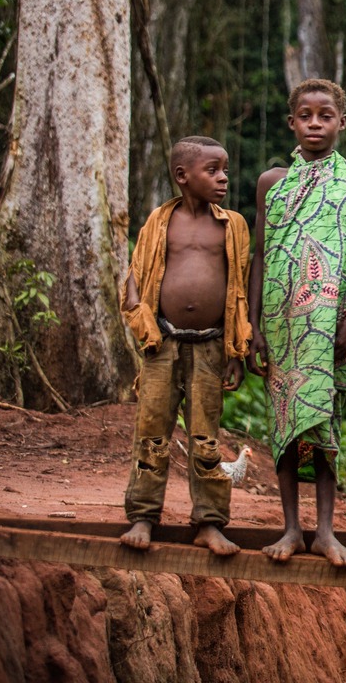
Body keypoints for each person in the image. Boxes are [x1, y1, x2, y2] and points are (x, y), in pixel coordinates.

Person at [247, 78, 346, 567]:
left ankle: (325, 530)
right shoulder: (271, 182)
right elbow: (261, 255)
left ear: (341, 122)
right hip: (282, 323)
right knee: (285, 424)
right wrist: (254, 325)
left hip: (332, 325)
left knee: (325, 425)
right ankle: (290, 529)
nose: (315, 124)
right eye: (306, 116)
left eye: (326, 116)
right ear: (292, 122)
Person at [120, 136, 250, 558]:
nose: (223, 178)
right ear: (182, 176)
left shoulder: (232, 225)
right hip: (163, 343)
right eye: (212, 170)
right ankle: (143, 516)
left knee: (206, 434)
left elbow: (240, 288)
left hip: (212, 347)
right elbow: (137, 273)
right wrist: (142, 322)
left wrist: (237, 348)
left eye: (225, 169)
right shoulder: (160, 221)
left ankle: (209, 522)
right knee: (152, 429)